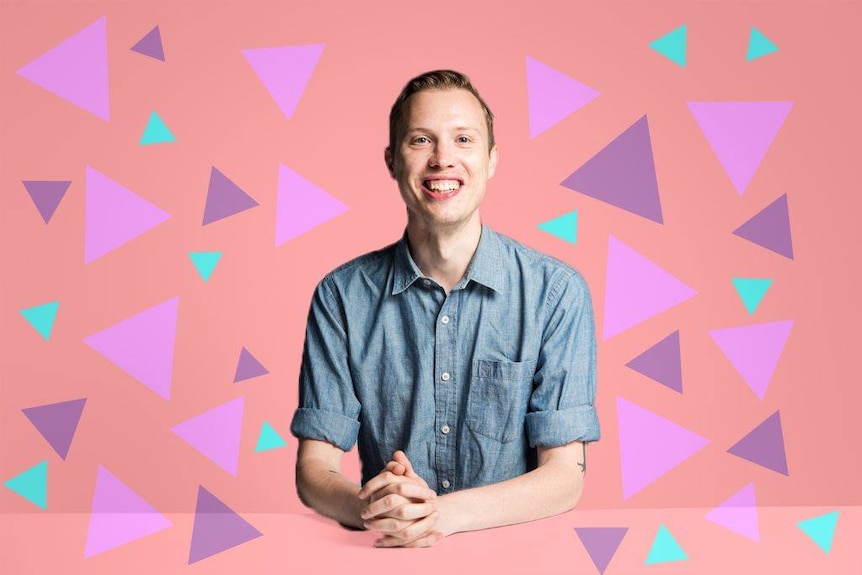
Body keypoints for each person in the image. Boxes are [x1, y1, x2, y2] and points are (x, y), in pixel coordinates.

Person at [290, 70, 599, 548]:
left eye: (463, 139)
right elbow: (315, 468)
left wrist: (439, 515)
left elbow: (565, 476)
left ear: (491, 159)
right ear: (392, 160)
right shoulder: (340, 296)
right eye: (420, 140)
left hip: (516, 558)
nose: (442, 159)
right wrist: (376, 507)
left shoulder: (556, 292)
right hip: (390, 557)